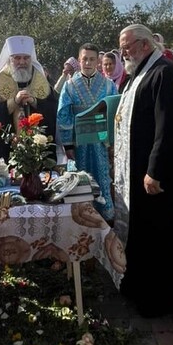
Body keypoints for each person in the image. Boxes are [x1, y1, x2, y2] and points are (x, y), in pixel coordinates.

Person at [113, 24, 173, 317]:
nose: (123, 53)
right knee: (141, 234)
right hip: (134, 169)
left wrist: (154, 170)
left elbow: (167, 126)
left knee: (157, 237)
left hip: (153, 174)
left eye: (127, 46)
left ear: (145, 45)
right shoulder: (138, 74)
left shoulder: (163, 72)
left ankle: (158, 300)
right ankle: (137, 287)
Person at [57, 43, 117, 221]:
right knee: (79, 180)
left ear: (98, 61)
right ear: (79, 60)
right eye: (84, 59)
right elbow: (64, 116)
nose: (88, 63)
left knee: (102, 178)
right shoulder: (69, 86)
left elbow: (115, 113)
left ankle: (105, 221)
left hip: (101, 143)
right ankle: (80, 220)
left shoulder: (108, 86)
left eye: (92, 59)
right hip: (78, 144)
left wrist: (112, 142)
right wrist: (68, 144)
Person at [0, 35, 57, 162]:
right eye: (17, 58)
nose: (22, 62)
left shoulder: (41, 80)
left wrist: (35, 102)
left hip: (38, 151)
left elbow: (54, 109)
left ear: (31, 58)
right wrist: (13, 102)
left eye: (26, 58)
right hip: (7, 149)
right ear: (10, 58)